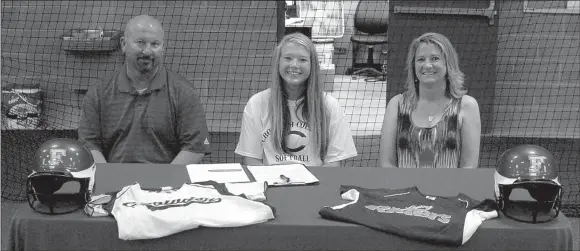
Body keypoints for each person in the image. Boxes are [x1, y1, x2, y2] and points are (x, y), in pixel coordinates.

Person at [78, 15, 212, 164]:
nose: (147, 51)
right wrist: (110, 179)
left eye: (155, 44)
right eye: (140, 43)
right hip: (115, 184)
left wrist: (163, 183)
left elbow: (194, 149)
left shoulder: (184, 92)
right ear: (123, 44)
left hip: (168, 184)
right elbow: (89, 145)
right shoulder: (98, 93)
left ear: (163, 48)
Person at [235, 33, 357, 167]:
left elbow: (334, 164)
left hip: (316, 185)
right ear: (278, 62)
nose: (294, 65)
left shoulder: (329, 106)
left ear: (312, 65)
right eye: (288, 58)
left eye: (302, 60)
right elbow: (253, 161)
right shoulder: (256, 104)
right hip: (272, 184)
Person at [379, 32, 481, 168]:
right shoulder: (396, 105)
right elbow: (387, 163)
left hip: (451, 189)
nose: (427, 65)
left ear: (448, 63)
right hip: (404, 189)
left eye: (435, 58)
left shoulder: (467, 106)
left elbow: (469, 167)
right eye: (421, 59)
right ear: (413, 66)